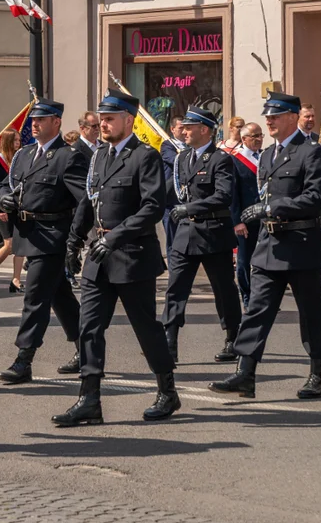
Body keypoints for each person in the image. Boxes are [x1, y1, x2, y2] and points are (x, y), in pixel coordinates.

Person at [55, 89, 180, 426]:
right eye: (101, 119)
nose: (103, 124)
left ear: (129, 119)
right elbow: (88, 202)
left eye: (110, 119)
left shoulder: (145, 156)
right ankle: (89, 399)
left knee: (146, 328)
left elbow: (152, 207)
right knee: (89, 328)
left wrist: (115, 238)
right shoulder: (99, 157)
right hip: (99, 257)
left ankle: (167, 391)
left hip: (131, 256)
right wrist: (72, 242)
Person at [210, 91, 321, 400]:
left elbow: (316, 199)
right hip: (269, 245)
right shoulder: (266, 155)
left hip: (300, 244)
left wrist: (271, 207)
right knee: (256, 311)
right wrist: (261, 212)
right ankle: (245, 373)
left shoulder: (311, 152)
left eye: (275, 116)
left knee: (311, 313)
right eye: (267, 116)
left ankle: (318, 375)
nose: (269, 121)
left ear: (292, 117)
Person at [0, 98, 85, 382]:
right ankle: (88, 348)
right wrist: (2, 199)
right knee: (60, 296)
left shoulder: (68, 156)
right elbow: (3, 186)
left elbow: (83, 201)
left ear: (56, 122)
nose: (34, 124)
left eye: (41, 120)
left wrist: (75, 239)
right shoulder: (23, 155)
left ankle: (24, 359)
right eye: (33, 120)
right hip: (27, 234)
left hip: (52, 236)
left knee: (34, 297)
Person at [162, 106, 242, 363]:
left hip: (213, 233)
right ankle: (170, 342)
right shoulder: (182, 158)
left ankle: (232, 338)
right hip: (186, 234)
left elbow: (223, 196)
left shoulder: (221, 159)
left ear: (204, 130)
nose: (183, 131)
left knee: (224, 289)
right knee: (175, 289)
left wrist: (189, 208)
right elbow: (171, 191)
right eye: (183, 127)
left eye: (189, 127)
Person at [227, 122, 262, 309]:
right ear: (244, 139)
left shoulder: (265, 157)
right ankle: (247, 297)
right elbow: (232, 194)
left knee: (264, 260)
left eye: (260, 135)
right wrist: (237, 221)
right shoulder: (234, 160)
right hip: (245, 220)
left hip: (265, 218)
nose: (258, 139)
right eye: (254, 136)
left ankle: (261, 296)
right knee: (244, 261)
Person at [0, 129, 25, 293]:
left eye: (18, 140)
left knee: (20, 244)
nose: (18, 143)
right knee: (9, 244)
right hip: (3, 206)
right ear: (8, 141)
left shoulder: (18, 158)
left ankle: (16, 279)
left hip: (16, 205)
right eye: (15, 140)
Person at [161, 116, 187, 259]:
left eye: (186, 128)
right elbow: (174, 160)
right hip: (171, 200)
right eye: (180, 128)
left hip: (186, 200)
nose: (184, 132)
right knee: (173, 239)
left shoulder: (190, 147)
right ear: (172, 129)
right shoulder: (167, 145)